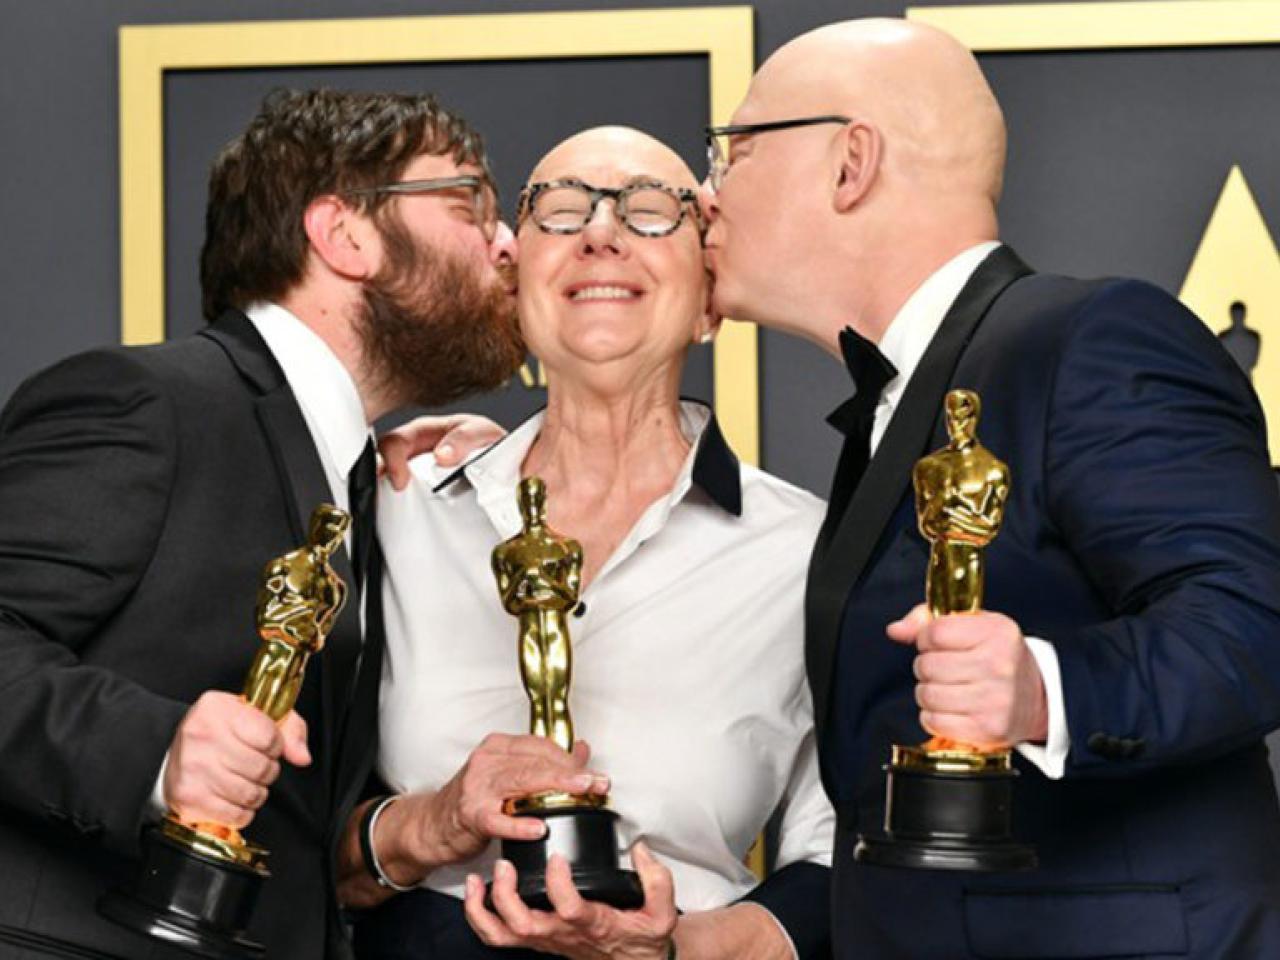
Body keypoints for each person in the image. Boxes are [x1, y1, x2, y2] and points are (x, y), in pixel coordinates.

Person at [699, 17, 1280, 959]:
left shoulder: (1089, 339)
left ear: (851, 163)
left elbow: (1256, 617)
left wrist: (1045, 693)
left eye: (734, 152)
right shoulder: (906, 394)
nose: (705, 193)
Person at [0, 88, 523, 960]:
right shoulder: (145, 404)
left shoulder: (363, 478)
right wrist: (157, 755)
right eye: (467, 202)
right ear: (343, 234)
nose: (504, 243)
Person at [339, 126, 835, 960]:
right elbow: (291, 841)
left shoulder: (809, 552)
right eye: (561, 212)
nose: (601, 234)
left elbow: (842, 864)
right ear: (512, 283)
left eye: (651, 213)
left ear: (711, 302)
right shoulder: (394, 513)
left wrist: (668, 948)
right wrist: (434, 821)